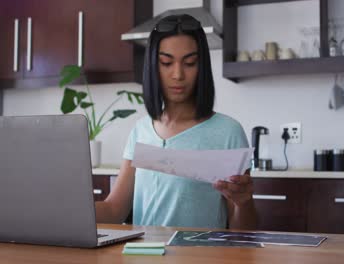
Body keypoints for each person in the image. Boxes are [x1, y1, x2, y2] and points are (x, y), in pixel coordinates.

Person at [95, 14, 256, 230]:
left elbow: (243, 233)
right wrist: (69, 210)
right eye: (166, 63)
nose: (178, 74)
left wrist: (243, 203)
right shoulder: (141, 130)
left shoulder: (227, 132)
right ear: (153, 66)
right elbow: (115, 209)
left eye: (189, 63)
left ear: (202, 68)